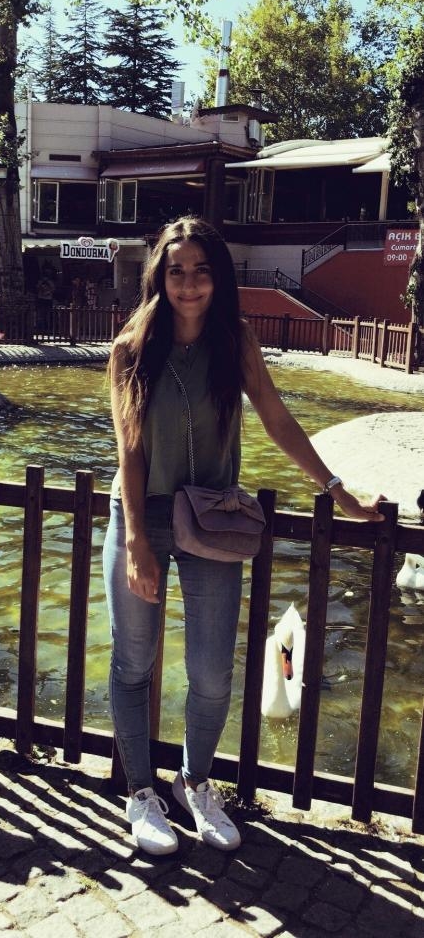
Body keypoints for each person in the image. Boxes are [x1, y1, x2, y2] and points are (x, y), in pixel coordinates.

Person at [103, 216, 385, 858]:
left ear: (219, 278)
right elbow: (130, 450)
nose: (189, 284)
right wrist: (138, 543)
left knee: (210, 672)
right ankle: (141, 792)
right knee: (133, 662)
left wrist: (338, 491)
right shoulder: (130, 349)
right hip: (143, 514)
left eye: (202, 271)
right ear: (159, 277)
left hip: (212, 518)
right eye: (176, 271)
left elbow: (278, 419)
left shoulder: (236, 342)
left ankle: (194, 783)